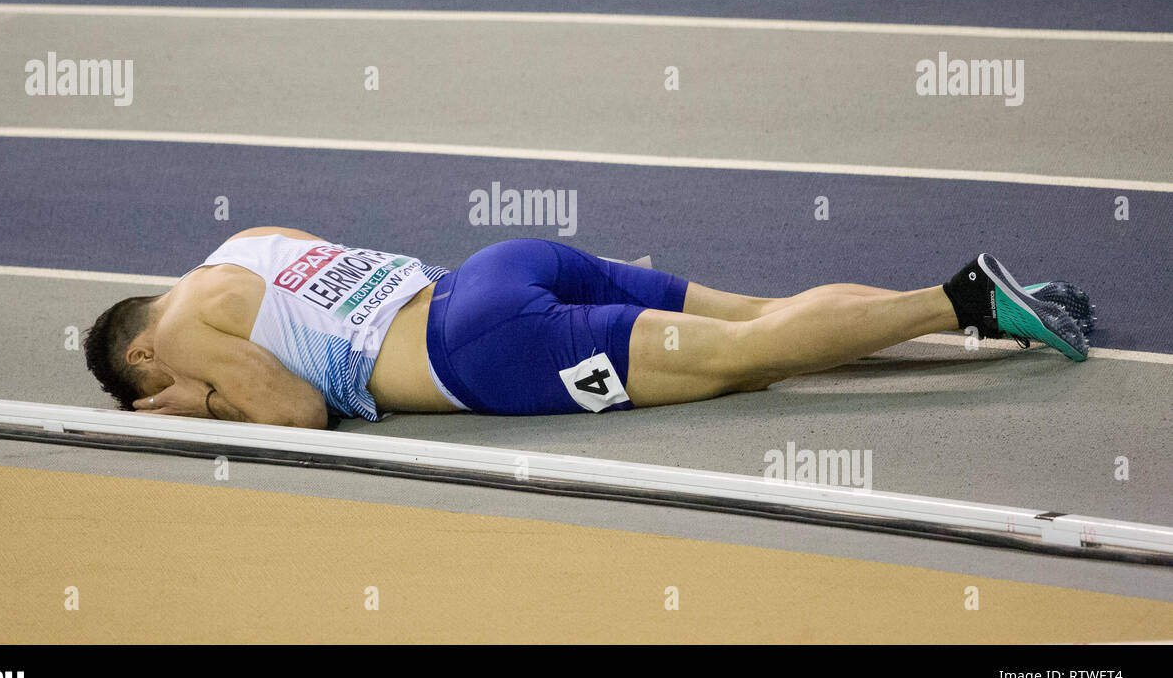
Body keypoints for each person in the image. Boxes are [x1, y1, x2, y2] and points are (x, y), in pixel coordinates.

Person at [83, 226, 1093, 428]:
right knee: (753, 319)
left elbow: (297, 412)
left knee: (744, 359)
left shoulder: (173, 337)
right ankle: (997, 309)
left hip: (481, 351)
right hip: (498, 268)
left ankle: (965, 299)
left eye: (145, 388)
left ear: (138, 352)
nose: (160, 387)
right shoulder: (242, 243)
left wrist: (195, 402)